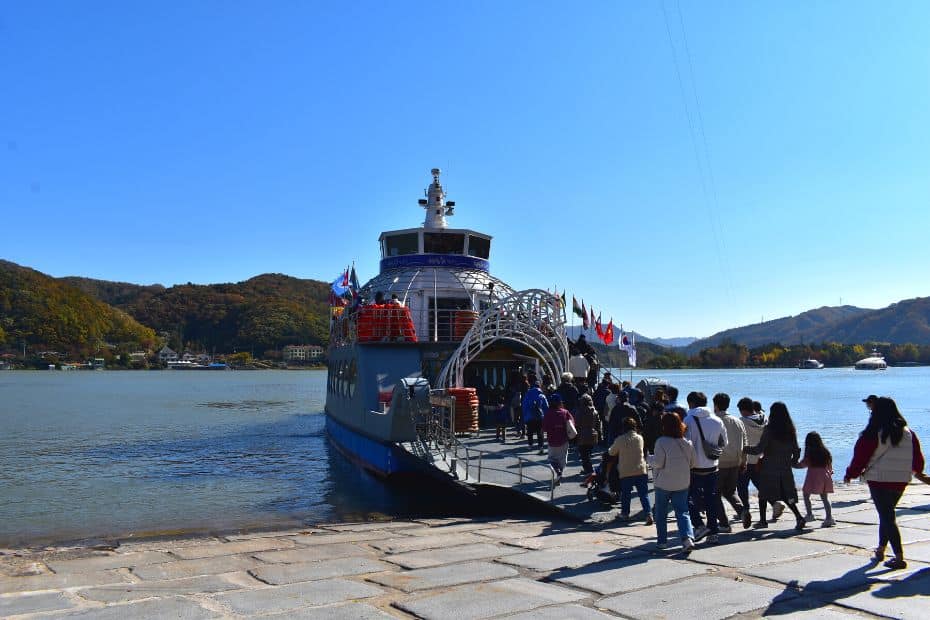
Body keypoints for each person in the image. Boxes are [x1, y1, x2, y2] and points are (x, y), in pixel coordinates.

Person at [844, 396, 925, 569]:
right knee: (886, 515)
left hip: (879, 480)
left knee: (887, 516)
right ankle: (881, 549)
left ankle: (899, 557)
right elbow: (918, 462)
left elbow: (860, 456)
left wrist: (850, 474)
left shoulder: (873, 432)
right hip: (901, 480)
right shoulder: (909, 433)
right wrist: (913, 472)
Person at [744, 402, 807, 531]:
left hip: (769, 467)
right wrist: (792, 462)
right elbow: (796, 449)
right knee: (786, 495)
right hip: (784, 467)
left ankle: (762, 521)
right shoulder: (791, 430)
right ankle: (799, 517)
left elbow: (759, 449)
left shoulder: (769, 429)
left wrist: (743, 448)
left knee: (763, 494)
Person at [683, 391, 728, 544]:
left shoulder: (688, 419)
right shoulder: (716, 420)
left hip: (694, 467)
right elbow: (725, 443)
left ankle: (699, 525)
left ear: (691, 403)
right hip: (712, 466)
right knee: (712, 499)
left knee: (687, 498)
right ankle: (713, 532)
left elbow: (685, 444)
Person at [653, 412, 697, 551]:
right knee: (683, 512)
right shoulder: (687, 443)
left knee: (661, 513)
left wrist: (648, 459)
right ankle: (687, 538)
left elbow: (658, 463)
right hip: (682, 482)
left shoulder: (661, 441)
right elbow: (693, 463)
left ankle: (662, 541)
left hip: (664, 483)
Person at [712, 393, 747, 534]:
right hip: (735, 462)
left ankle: (725, 524)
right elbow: (745, 442)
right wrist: (743, 461)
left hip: (719, 463)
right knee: (730, 491)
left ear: (716, 405)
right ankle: (742, 510)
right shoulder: (737, 421)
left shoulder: (714, 421)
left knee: (715, 494)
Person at [609, 417, 653, 524]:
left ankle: (625, 514)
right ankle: (648, 514)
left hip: (626, 471)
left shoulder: (620, 439)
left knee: (626, 494)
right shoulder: (640, 438)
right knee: (644, 494)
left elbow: (611, 452)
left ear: (624, 427)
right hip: (641, 470)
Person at [795, 431, 835, 527]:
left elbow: (803, 464)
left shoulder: (810, 453)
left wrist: (792, 464)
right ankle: (829, 518)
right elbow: (830, 465)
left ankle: (809, 514)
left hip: (813, 476)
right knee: (825, 498)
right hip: (825, 476)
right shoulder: (825, 451)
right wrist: (830, 471)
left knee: (806, 494)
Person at [736, 397, 765, 529]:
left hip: (746, 459)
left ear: (743, 410)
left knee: (742, 486)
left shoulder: (742, 422)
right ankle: (775, 502)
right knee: (761, 484)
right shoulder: (764, 419)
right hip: (761, 459)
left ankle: (745, 509)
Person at [542, 393, 575, 483]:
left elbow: (544, 428)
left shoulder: (548, 414)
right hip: (564, 440)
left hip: (552, 441)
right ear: (559, 402)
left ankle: (558, 473)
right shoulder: (565, 412)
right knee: (562, 460)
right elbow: (572, 424)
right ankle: (559, 474)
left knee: (551, 459)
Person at [574, 392, 600, 474]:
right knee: (587, 453)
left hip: (582, 435)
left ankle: (589, 470)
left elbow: (576, 423)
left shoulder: (579, 412)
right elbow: (598, 424)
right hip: (593, 434)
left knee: (584, 455)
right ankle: (588, 469)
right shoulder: (595, 412)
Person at [521, 376, 548, 454]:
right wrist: (545, 416)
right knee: (540, 432)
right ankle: (541, 446)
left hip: (530, 416)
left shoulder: (528, 394)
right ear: (539, 387)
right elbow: (546, 407)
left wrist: (525, 416)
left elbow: (524, 406)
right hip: (539, 416)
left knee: (530, 431)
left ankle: (530, 445)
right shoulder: (542, 395)